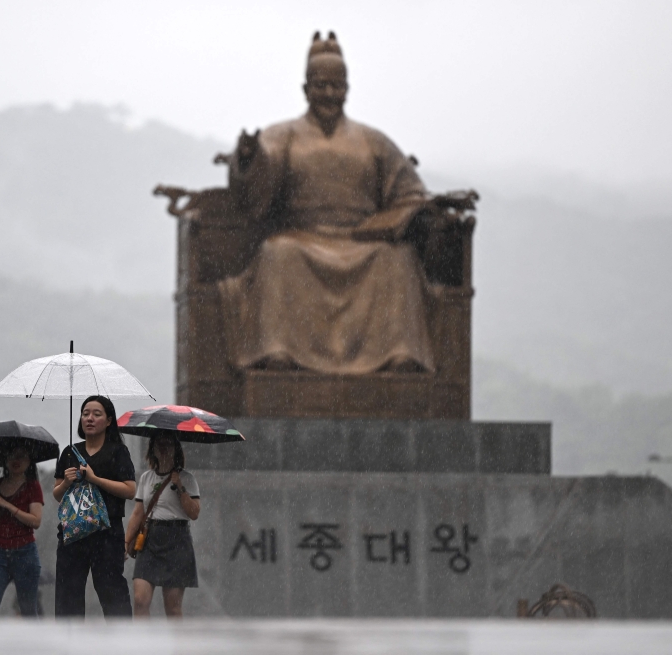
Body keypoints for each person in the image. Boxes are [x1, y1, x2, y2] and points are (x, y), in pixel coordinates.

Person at [218, 32, 435, 375]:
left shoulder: (373, 141)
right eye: (321, 86)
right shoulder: (283, 134)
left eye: (337, 86)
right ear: (306, 89)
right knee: (277, 253)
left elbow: (409, 191)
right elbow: (258, 178)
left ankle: (399, 355)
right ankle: (278, 353)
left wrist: (412, 211)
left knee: (398, 258)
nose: (330, 94)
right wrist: (248, 158)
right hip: (302, 237)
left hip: (361, 241)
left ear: (348, 89)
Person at [53, 395, 136, 618]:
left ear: (109, 420)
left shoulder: (118, 452)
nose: (89, 418)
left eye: (96, 414)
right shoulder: (70, 452)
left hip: (107, 534)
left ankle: (122, 644)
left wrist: (95, 478)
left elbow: (130, 490)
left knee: (112, 594)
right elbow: (57, 493)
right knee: (67, 596)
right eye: (85, 413)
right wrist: (67, 482)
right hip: (73, 533)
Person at [125, 433, 200, 619]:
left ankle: (177, 648)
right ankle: (144, 647)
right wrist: (126, 541)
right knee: (140, 600)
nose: (163, 448)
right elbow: (138, 512)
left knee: (173, 608)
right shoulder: (146, 478)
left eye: (168, 444)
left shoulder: (187, 478)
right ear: (152, 450)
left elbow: (194, 513)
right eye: (159, 444)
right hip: (150, 538)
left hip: (177, 540)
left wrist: (180, 487)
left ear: (176, 449)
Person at [0, 445, 44, 619]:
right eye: (12, 456)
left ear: (29, 461)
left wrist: (7, 504)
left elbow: (35, 521)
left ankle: (35, 645)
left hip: (25, 553)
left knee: (29, 610)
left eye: (21, 456)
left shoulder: (33, 486)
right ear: (4, 461)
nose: (16, 461)